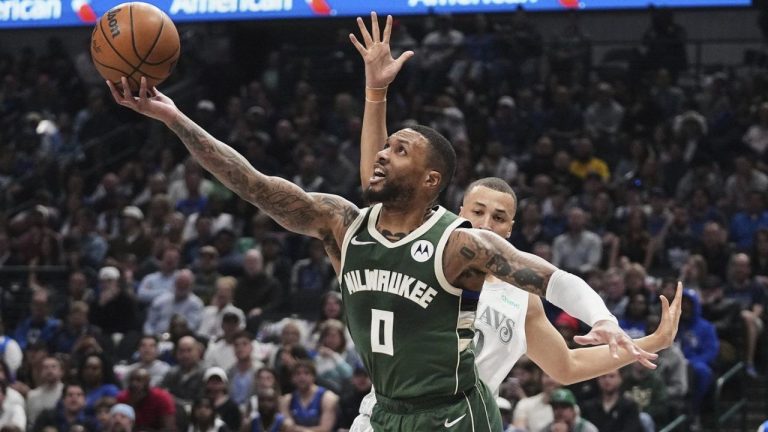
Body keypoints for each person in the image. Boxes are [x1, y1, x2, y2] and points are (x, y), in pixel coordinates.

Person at [108, 13, 653, 430]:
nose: (385, 152)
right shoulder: (342, 224)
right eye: (386, 145)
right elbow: (251, 183)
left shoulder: (457, 245)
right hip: (385, 411)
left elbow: (547, 276)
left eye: (401, 149)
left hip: (455, 414)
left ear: (430, 180)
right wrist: (173, 117)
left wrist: (601, 319)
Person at [348, 12, 679, 432]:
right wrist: (376, 93)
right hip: (385, 416)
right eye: (477, 212)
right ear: (458, 215)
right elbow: (377, 182)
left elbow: (567, 365)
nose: (486, 222)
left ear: (510, 231)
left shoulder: (521, 297)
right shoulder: (428, 242)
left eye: (499, 217)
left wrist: (649, 341)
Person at [279, 361, 337, 432]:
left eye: (306, 373)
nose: (302, 377)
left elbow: (325, 429)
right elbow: (287, 428)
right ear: (292, 378)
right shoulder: (286, 400)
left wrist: (301, 430)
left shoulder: (327, 397)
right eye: (298, 373)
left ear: (314, 377)